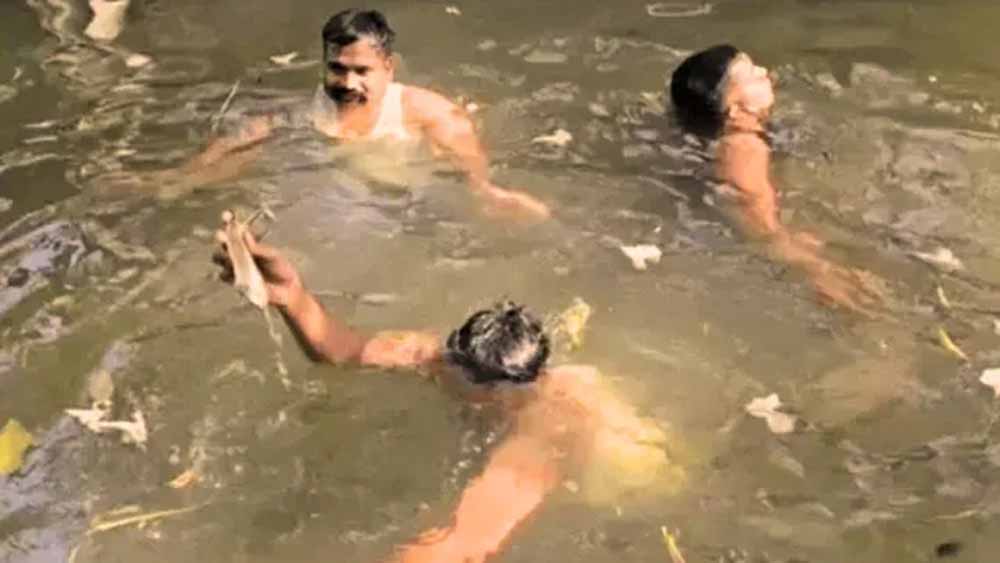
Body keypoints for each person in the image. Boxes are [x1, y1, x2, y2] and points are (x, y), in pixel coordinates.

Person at [212, 230, 685, 563]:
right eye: (456, 374)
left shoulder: (549, 426)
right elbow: (345, 351)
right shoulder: (441, 357)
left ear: (515, 390)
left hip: (633, 474)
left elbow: (464, 543)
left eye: (478, 391)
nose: (459, 388)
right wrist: (292, 297)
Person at [181, 9, 549, 221]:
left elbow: (463, 146)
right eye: (337, 69)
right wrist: (189, 175)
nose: (347, 82)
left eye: (362, 71)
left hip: (403, 205)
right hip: (332, 199)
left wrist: (484, 191)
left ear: (388, 68)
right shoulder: (307, 112)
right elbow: (247, 137)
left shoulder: (422, 111)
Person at [670, 45, 883, 314]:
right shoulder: (744, 147)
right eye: (751, 75)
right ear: (734, 110)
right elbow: (764, 230)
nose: (764, 72)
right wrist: (819, 269)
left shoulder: (739, 139)